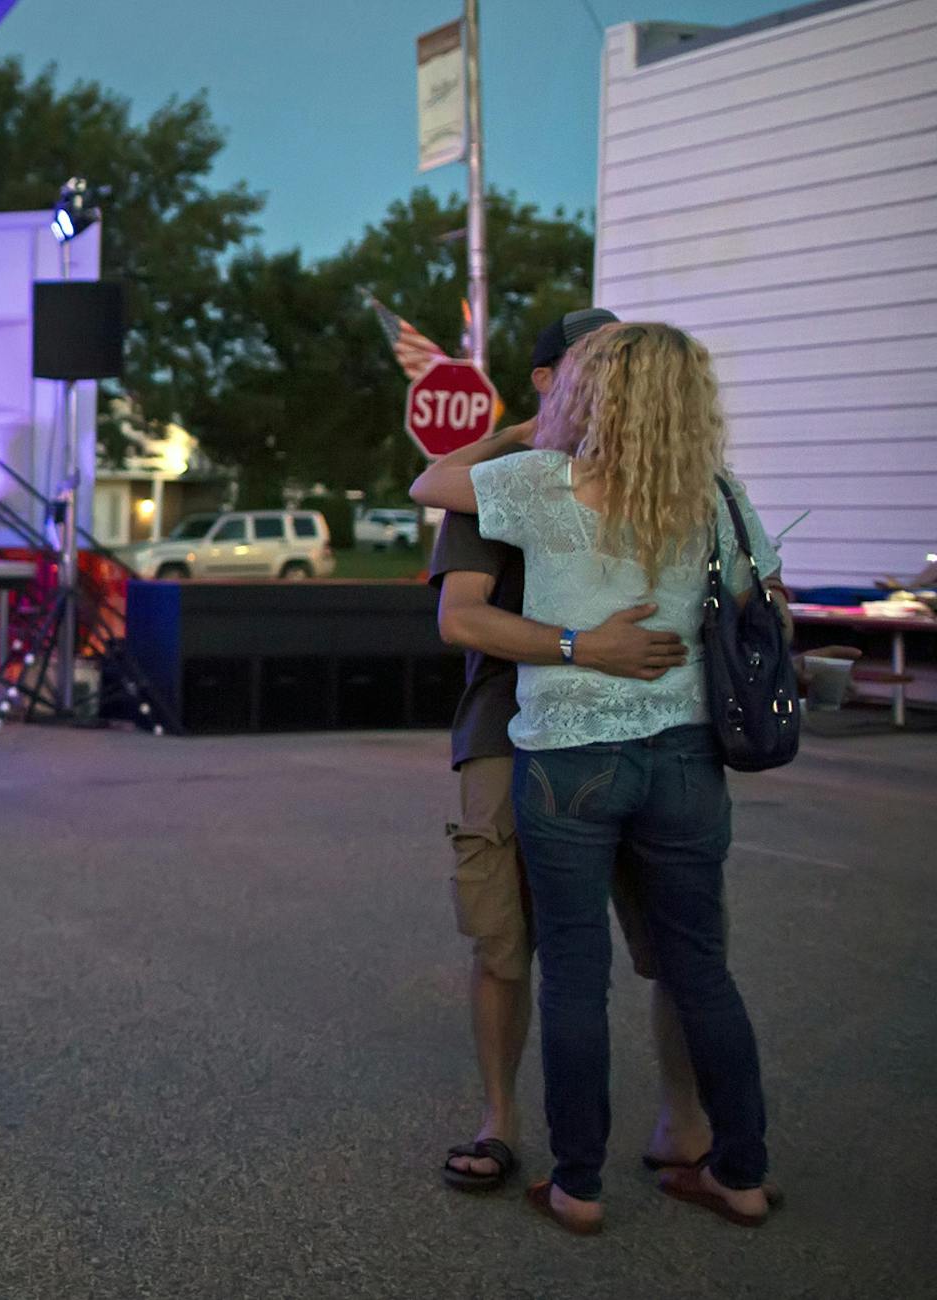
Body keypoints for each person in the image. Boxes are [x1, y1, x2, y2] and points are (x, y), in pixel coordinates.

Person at [413, 322, 782, 1234]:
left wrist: (526, 434)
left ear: (589, 393)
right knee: (701, 966)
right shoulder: (720, 497)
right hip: (687, 755)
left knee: (575, 973)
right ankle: (739, 1176)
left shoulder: (540, 486)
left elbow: (427, 482)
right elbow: (763, 608)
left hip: (568, 755)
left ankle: (578, 1186)